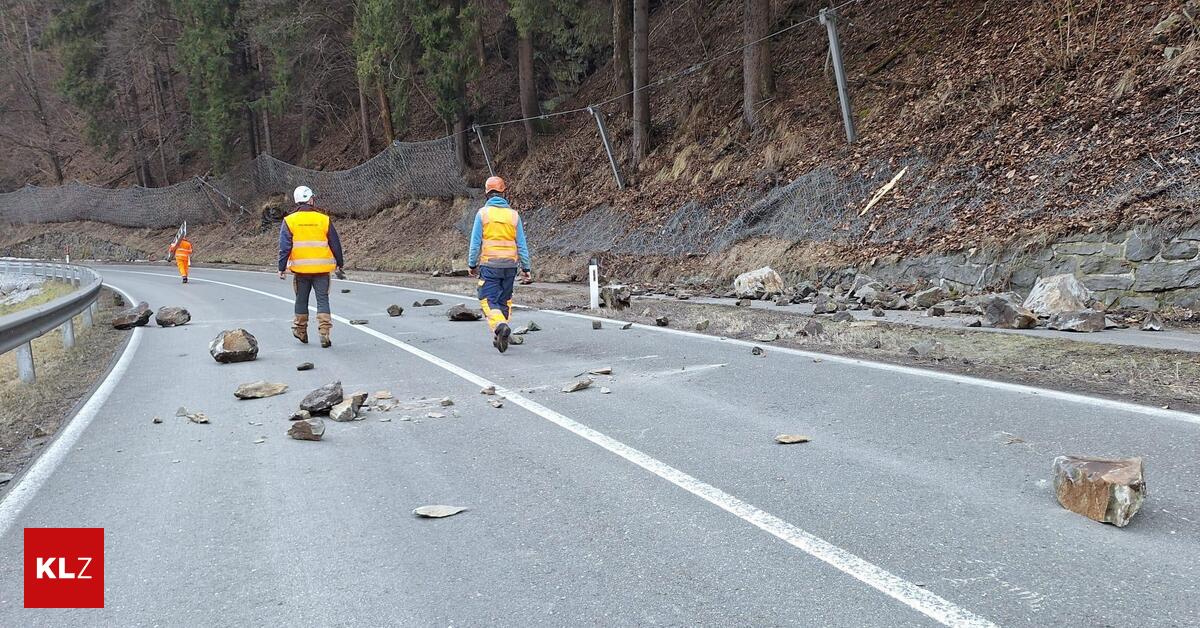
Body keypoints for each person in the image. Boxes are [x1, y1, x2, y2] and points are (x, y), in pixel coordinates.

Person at [467, 176, 531, 353]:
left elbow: (475, 243)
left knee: (487, 299)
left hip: (490, 265)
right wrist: (526, 268)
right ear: (504, 192)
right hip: (510, 266)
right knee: (505, 300)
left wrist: (472, 264)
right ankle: (500, 335)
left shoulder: (483, 214)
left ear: (487, 194)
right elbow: (522, 245)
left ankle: (501, 326)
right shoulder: (513, 215)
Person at [278, 185, 343, 348]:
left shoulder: (289, 221)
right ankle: (324, 333)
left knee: (301, 299)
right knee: (322, 300)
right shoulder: (324, 219)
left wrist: (281, 267)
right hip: (321, 270)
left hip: (301, 271)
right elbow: (335, 243)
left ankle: (301, 330)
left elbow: (284, 247)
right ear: (310, 199)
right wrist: (340, 263)